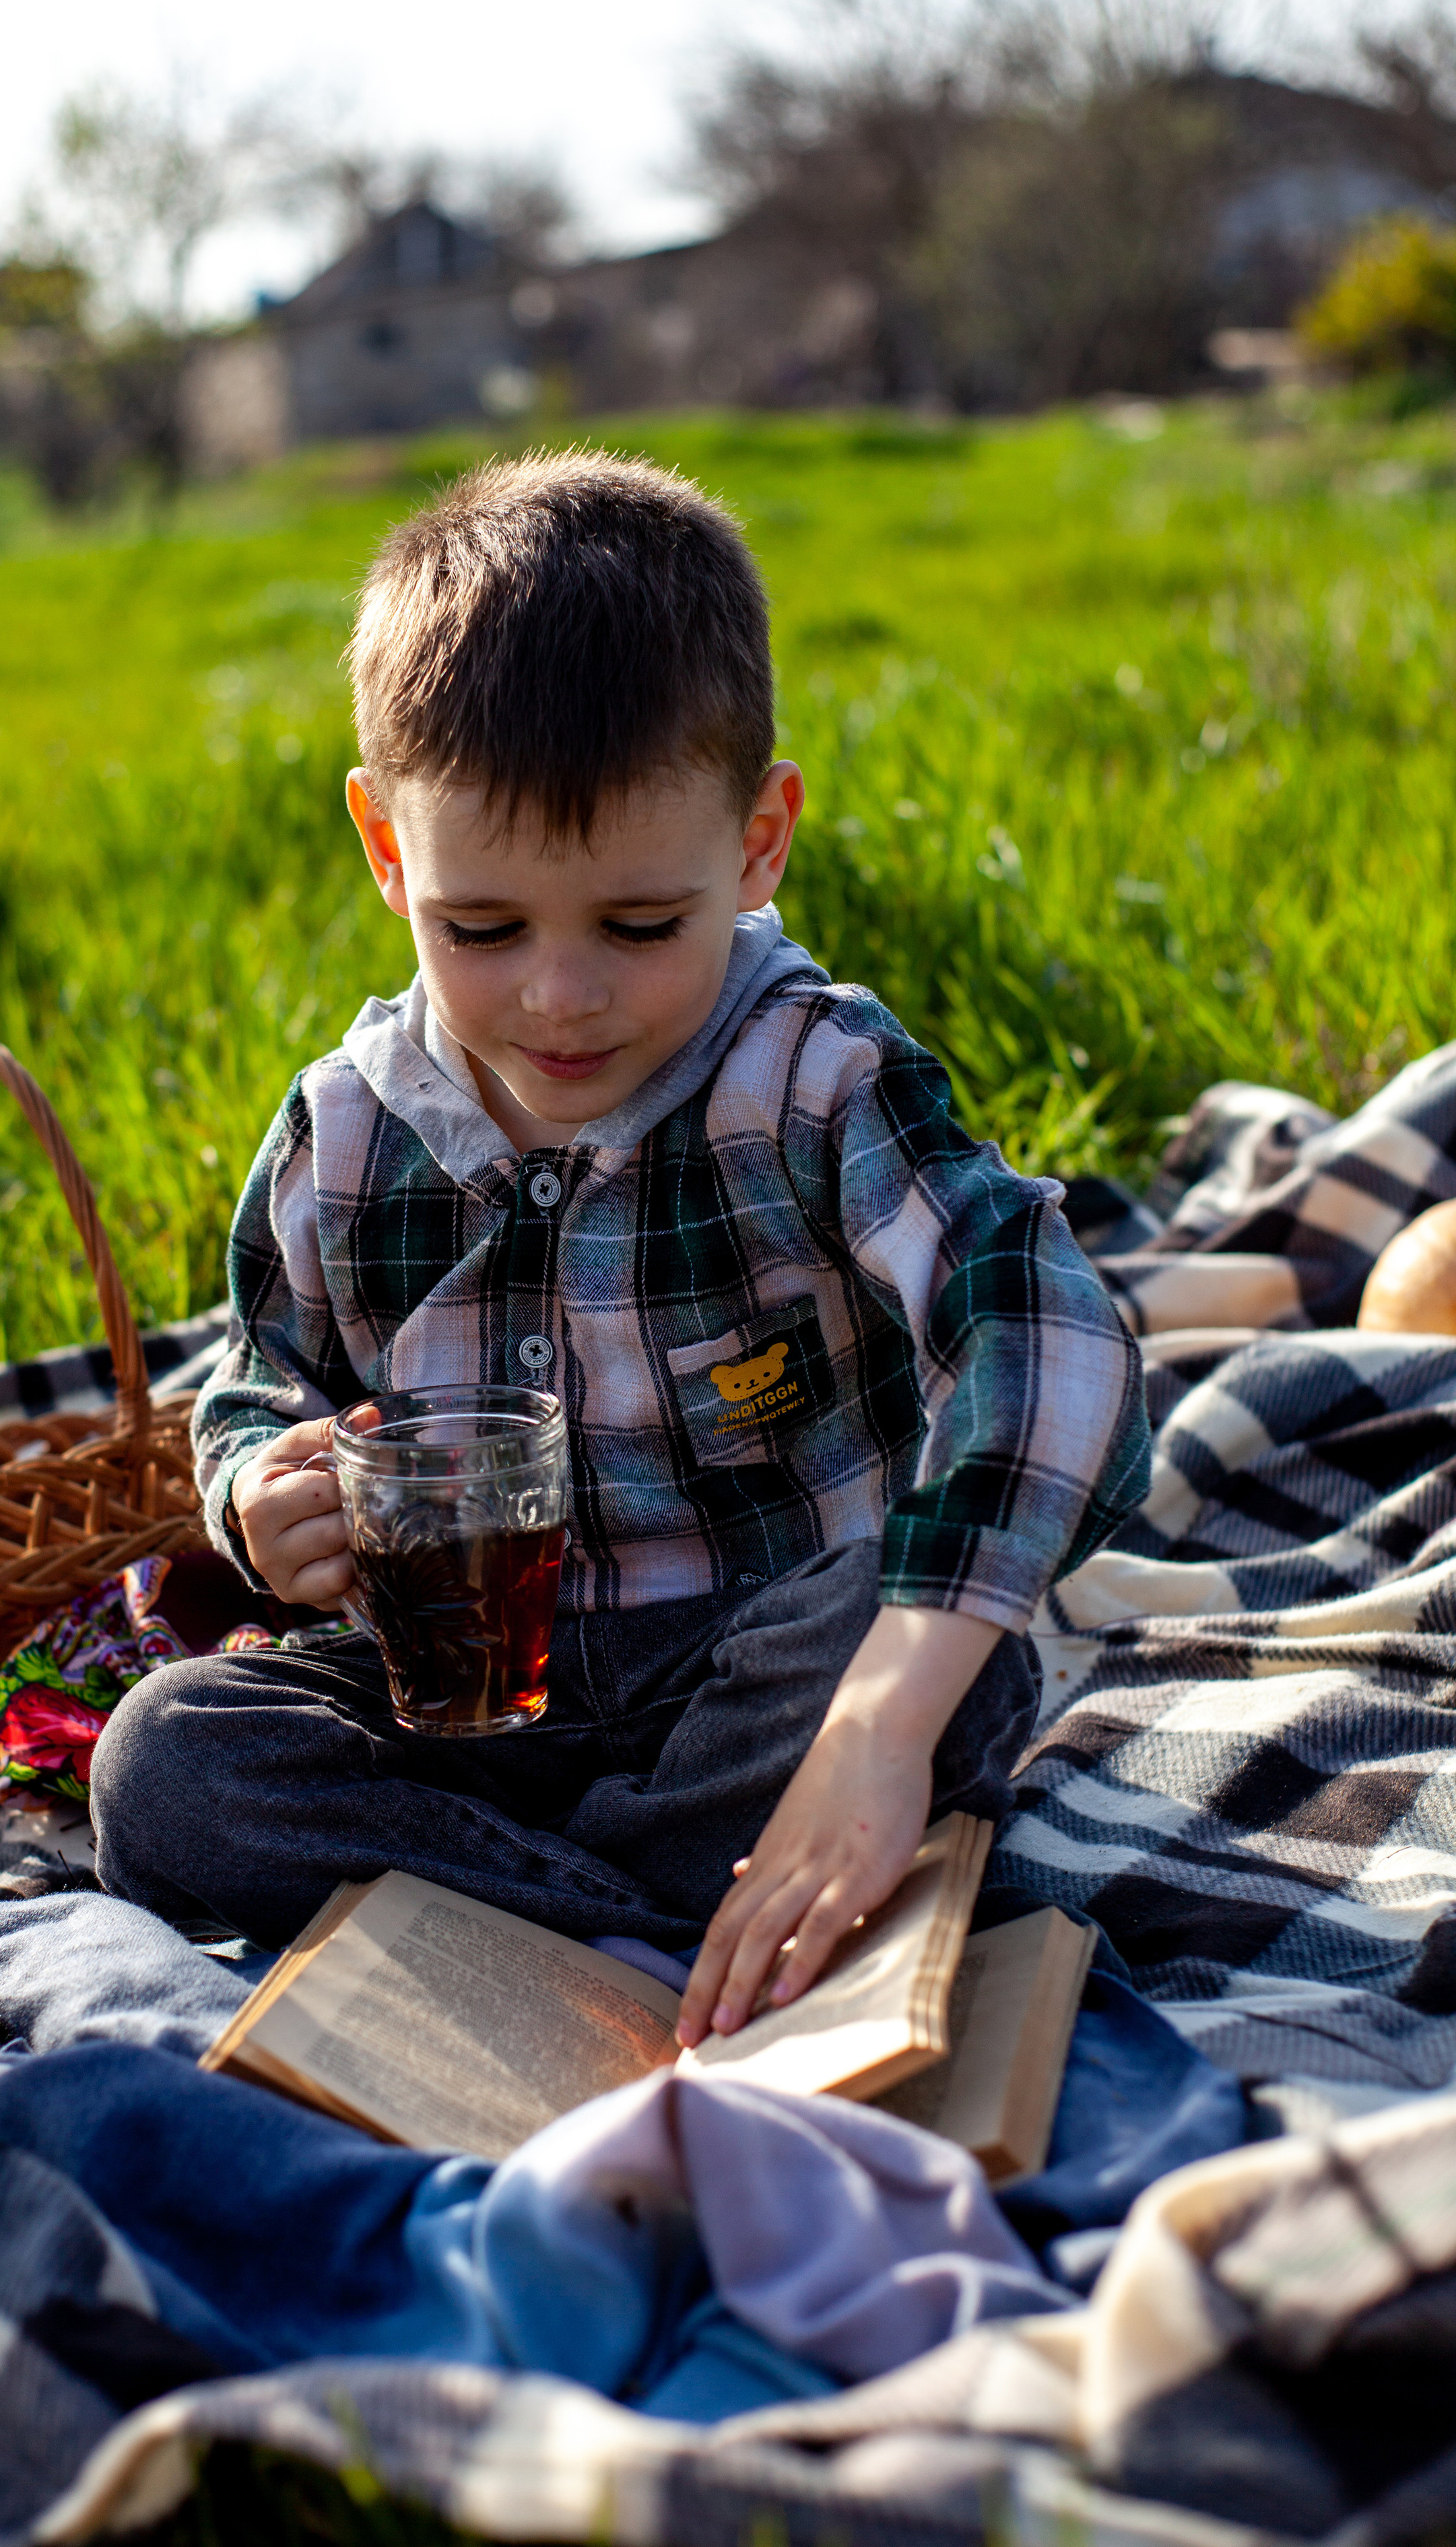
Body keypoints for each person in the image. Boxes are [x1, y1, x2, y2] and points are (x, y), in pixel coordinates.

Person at [91, 450, 1148, 2048]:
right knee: (167, 1763)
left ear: (760, 839)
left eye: (642, 927)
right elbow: (257, 1379)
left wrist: (874, 1723)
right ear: (387, 854)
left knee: (948, 1673)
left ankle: (548, 1906)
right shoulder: (344, 1131)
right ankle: (652, 1924)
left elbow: (1046, 1336)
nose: (560, 1000)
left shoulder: (811, 1078)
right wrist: (261, 1495)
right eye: (482, 928)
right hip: (457, 1706)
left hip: (759, 1678)